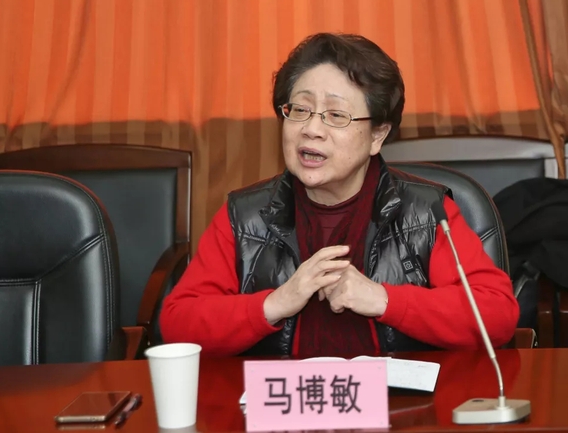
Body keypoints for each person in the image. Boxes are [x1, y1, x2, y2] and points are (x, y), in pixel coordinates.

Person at [160, 33, 519, 358]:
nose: (311, 129)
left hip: (401, 404)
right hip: (282, 404)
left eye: (336, 115)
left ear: (377, 135)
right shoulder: (244, 215)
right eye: (300, 110)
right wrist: (276, 303)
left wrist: (384, 300)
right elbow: (177, 322)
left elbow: (497, 314)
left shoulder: (426, 212)